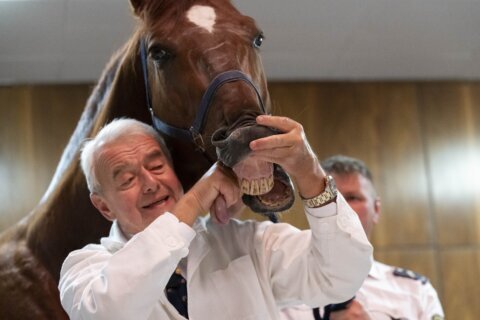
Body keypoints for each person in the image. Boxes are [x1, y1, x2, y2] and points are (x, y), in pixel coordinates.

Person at [58, 117, 373, 320]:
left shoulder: (248, 242)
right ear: (104, 207)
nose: (150, 183)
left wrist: (309, 173)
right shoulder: (85, 268)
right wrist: (194, 200)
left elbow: (341, 277)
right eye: (126, 179)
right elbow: (111, 311)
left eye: (156, 167)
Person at [280, 155, 444, 320]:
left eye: (352, 198)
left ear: (376, 209)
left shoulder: (416, 291)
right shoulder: (282, 288)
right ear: (312, 208)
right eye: (332, 198)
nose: (342, 208)